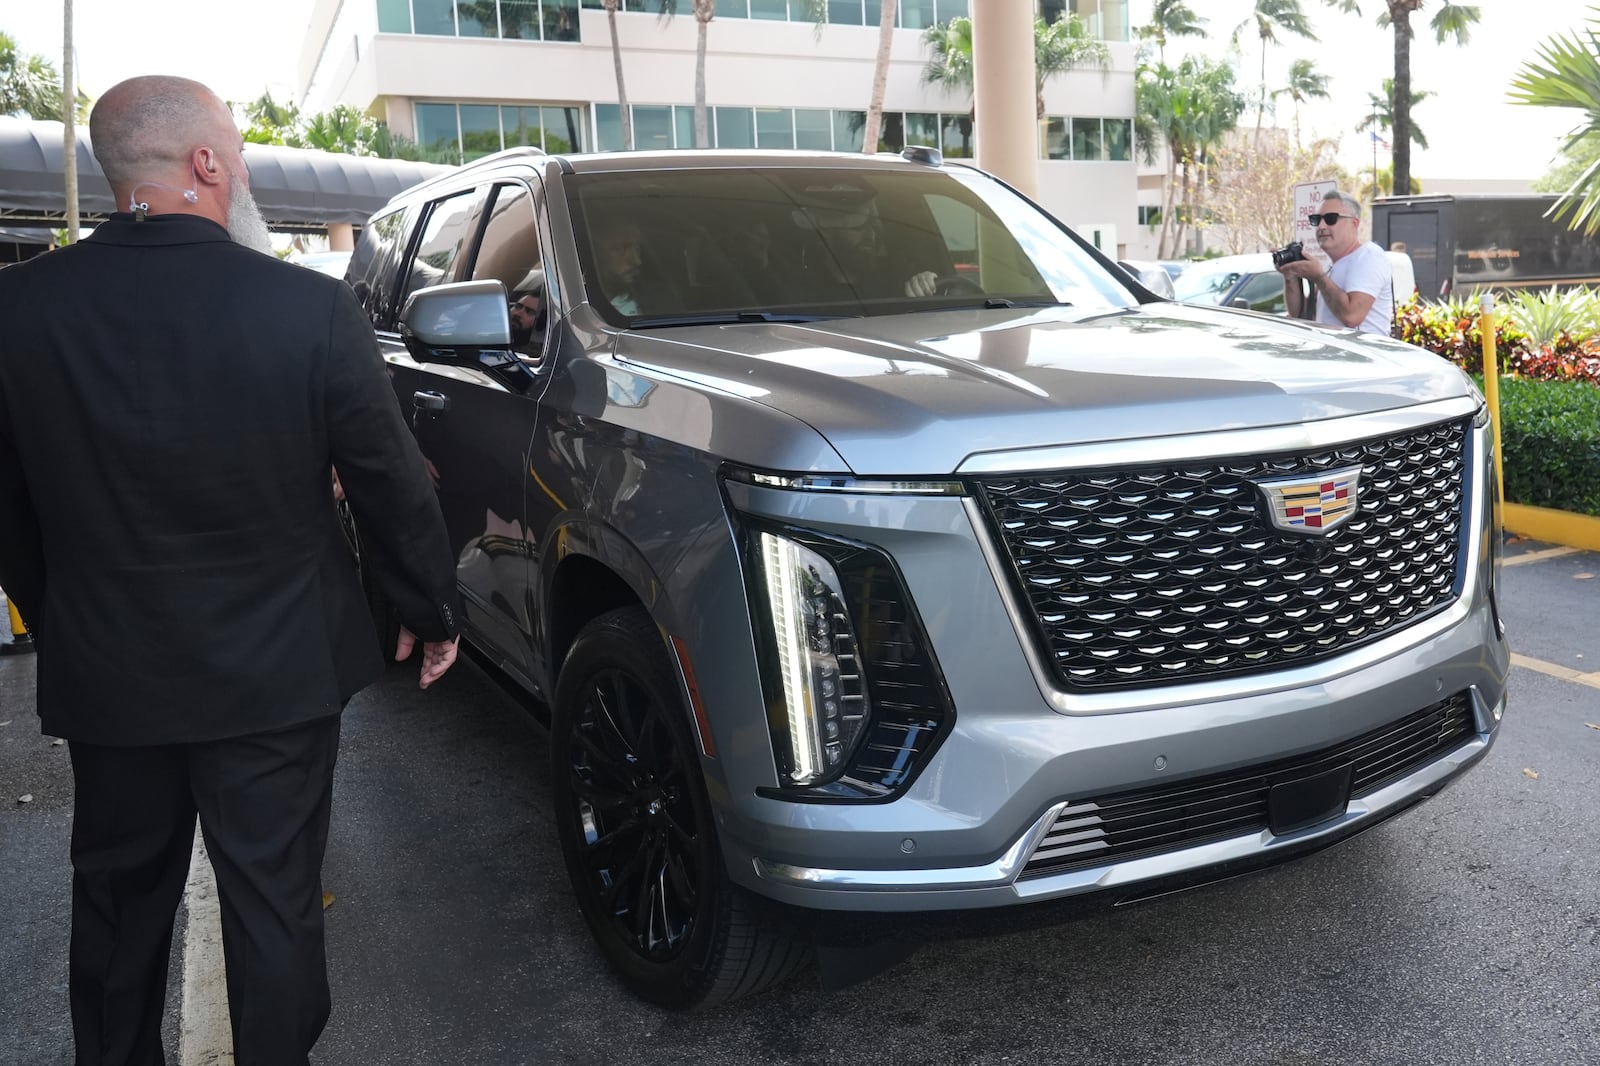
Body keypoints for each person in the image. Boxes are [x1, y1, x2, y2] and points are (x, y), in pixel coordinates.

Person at [0, 75, 462, 1066]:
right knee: (274, 907)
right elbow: (387, 482)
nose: (244, 167)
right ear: (205, 164)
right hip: (277, 673)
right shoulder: (306, 308)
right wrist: (429, 607)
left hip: (111, 674)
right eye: (239, 151)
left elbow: (11, 511)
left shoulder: (19, 308)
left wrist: (66, 612)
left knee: (119, 907)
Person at [1278, 190, 1394, 335]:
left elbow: (1352, 316)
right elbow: (1300, 315)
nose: (1321, 226)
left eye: (1330, 218)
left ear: (1354, 223)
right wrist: (1290, 276)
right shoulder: (1330, 267)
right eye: (1316, 219)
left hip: (1360, 356)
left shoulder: (1369, 256)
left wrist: (1319, 278)